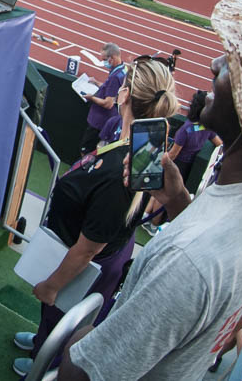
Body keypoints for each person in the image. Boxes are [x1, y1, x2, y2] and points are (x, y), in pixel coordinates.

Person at [60, 0, 242, 380]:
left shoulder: (189, 263)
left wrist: (72, 331)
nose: (216, 62)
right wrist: (181, 201)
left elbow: (82, 373)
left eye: (234, 62)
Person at [11, 59, 179, 377]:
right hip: (92, 250)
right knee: (56, 315)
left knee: (65, 314)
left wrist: (51, 285)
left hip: (83, 259)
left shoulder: (121, 171)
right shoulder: (144, 141)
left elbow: (89, 249)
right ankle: (41, 345)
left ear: (125, 95)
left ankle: (47, 365)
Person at [166, 90, 222, 181]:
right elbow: (219, 143)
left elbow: (173, 154)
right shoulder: (205, 127)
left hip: (177, 166)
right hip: (190, 167)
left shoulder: (185, 130)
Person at [80, 44, 126, 155]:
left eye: (105, 60)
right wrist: (97, 82)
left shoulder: (115, 77)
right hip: (107, 120)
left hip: (99, 121)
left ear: (113, 58)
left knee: (86, 151)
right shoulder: (122, 70)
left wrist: (91, 98)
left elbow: (108, 103)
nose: (103, 62)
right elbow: (110, 90)